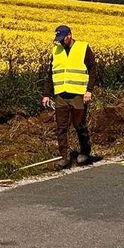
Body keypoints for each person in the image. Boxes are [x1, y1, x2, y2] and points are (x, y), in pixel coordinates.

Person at [41, 24, 97, 169]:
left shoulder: (83, 48)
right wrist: (47, 94)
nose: (59, 41)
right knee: (61, 127)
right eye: (58, 39)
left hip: (78, 94)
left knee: (80, 125)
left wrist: (89, 90)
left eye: (62, 38)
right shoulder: (56, 50)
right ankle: (64, 158)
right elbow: (50, 74)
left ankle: (85, 152)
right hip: (61, 94)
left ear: (69, 36)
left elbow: (92, 70)